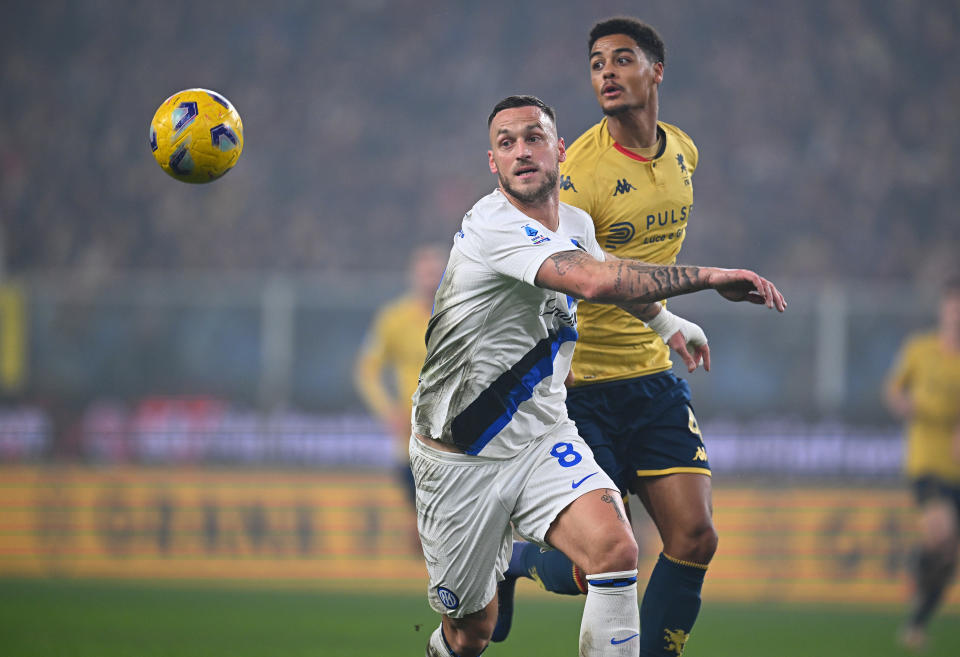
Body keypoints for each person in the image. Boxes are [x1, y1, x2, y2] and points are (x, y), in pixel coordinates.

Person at [414, 94, 785, 657]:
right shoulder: (493, 225)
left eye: (534, 138)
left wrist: (665, 324)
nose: (521, 152)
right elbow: (593, 282)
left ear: (559, 150)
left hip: (542, 436)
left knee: (616, 551)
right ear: (492, 162)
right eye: (506, 143)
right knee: (472, 633)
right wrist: (709, 277)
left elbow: (606, 270)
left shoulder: (577, 222)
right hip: (461, 455)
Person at [492, 17, 735, 656]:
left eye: (622, 60)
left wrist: (669, 325)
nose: (606, 72)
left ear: (656, 71)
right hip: (580, 386)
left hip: (652, 377)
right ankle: (513, 561)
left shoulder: (684, 151)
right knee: (593, 564)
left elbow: (640, 262)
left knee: (695, 538)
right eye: (597, 62)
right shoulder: (579, 174)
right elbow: (596, 279)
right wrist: (686, 298)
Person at [885, 276, 960, 652]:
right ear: (944, 309)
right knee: (942, 532)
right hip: (926, 463)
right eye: (953, 305)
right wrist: (903, 403)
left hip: (957, 469)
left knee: (949, 557)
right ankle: (915, 567)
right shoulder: (920, 349)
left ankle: (917, 624)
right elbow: (894, 388)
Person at [354, 244, 446, 525]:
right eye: (425, 272)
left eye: (436, 272)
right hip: (412, 432)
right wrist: (387, 411)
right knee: (421, 513)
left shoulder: (459, 315)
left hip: (454, 428)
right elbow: (366, 371)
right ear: (414, 275)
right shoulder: (393, 319)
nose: (430, 279)